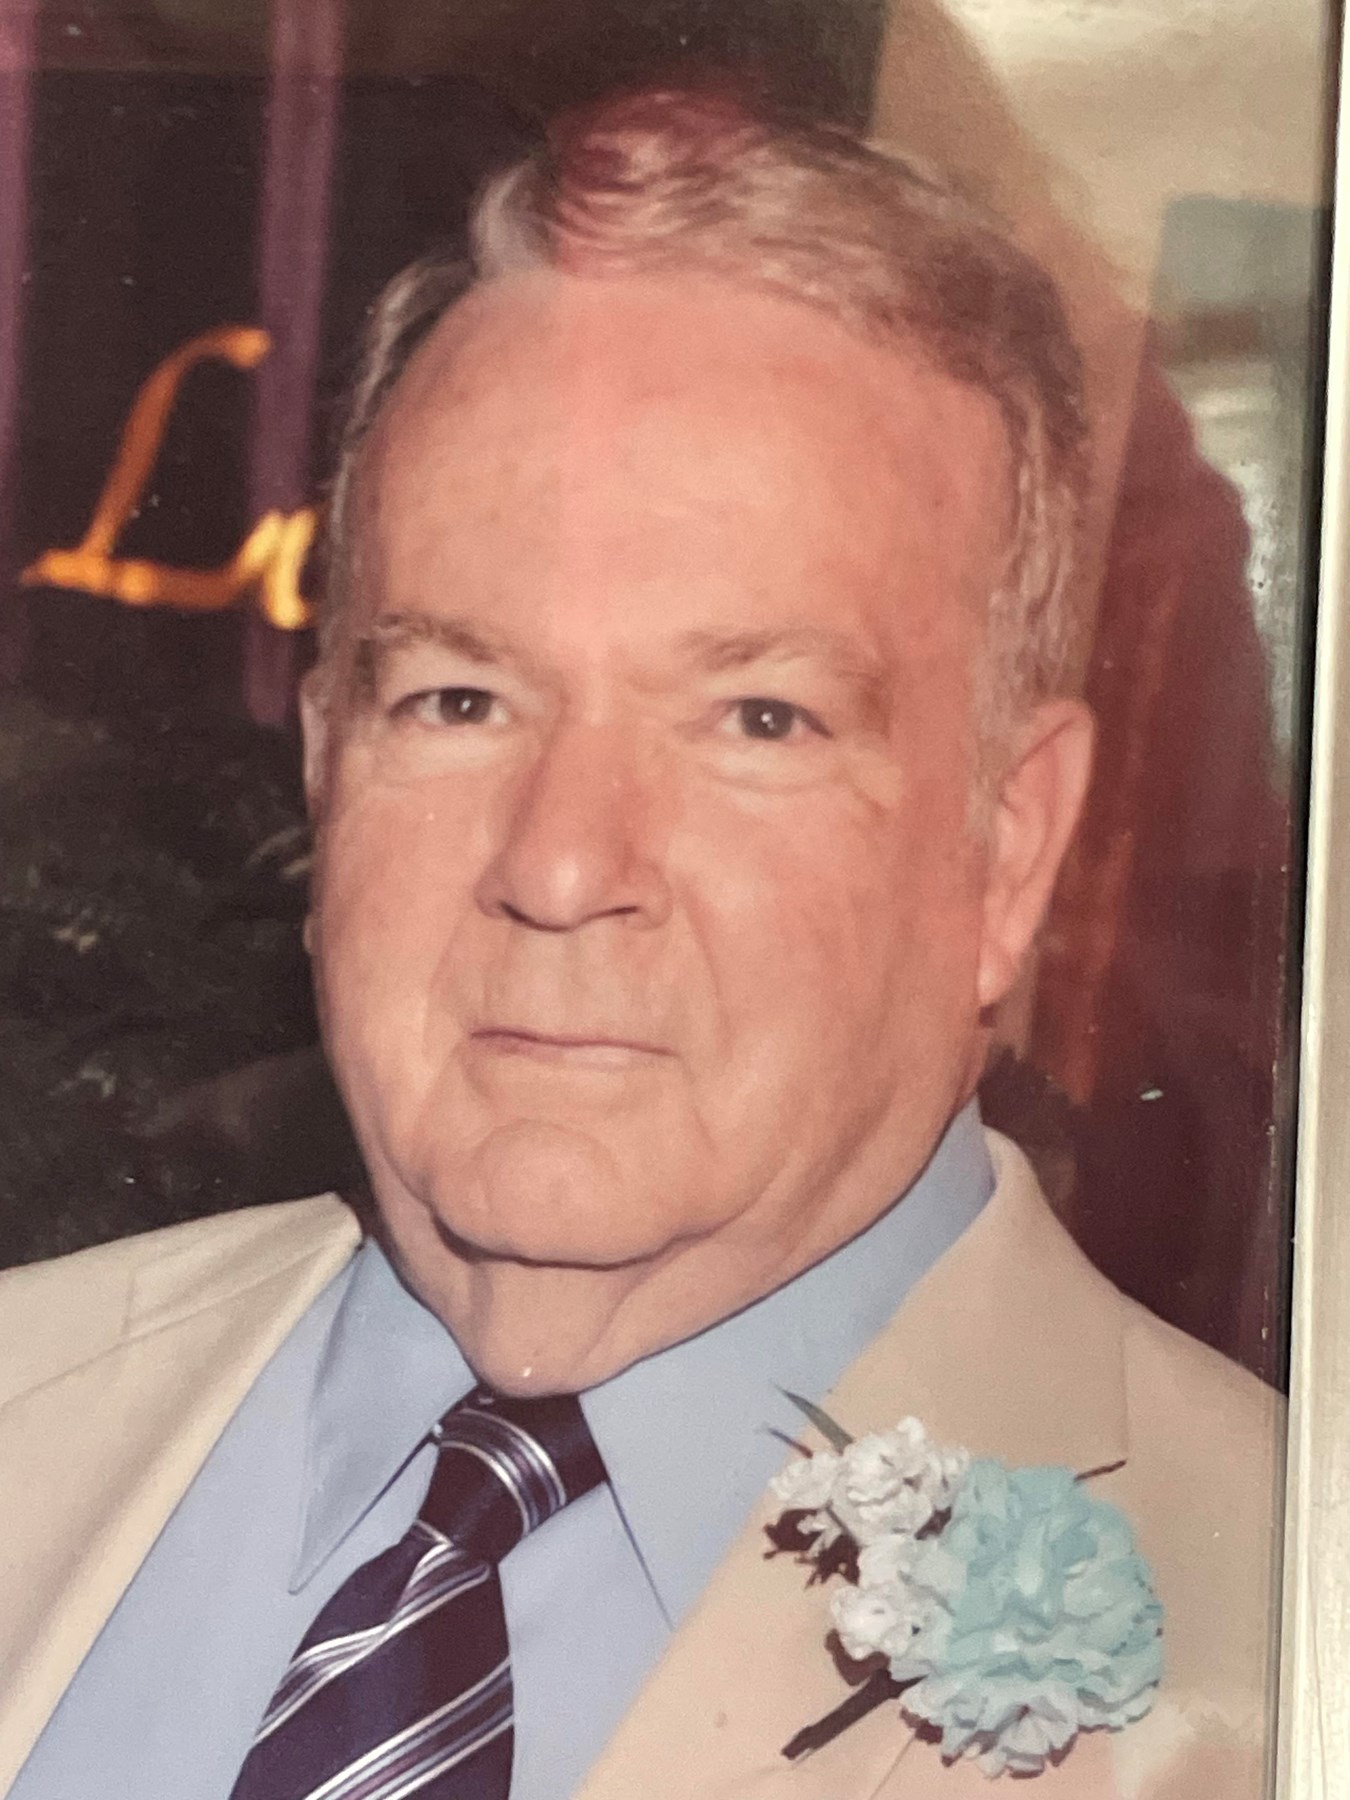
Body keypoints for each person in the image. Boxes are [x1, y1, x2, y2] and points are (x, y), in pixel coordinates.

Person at [0, 90, 1279, 1800]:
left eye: (759, 717)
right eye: (457, 697)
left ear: (1010, 845)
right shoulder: (28, 1406)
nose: (559, 863)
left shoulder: (1281, 1649)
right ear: (323, 761)